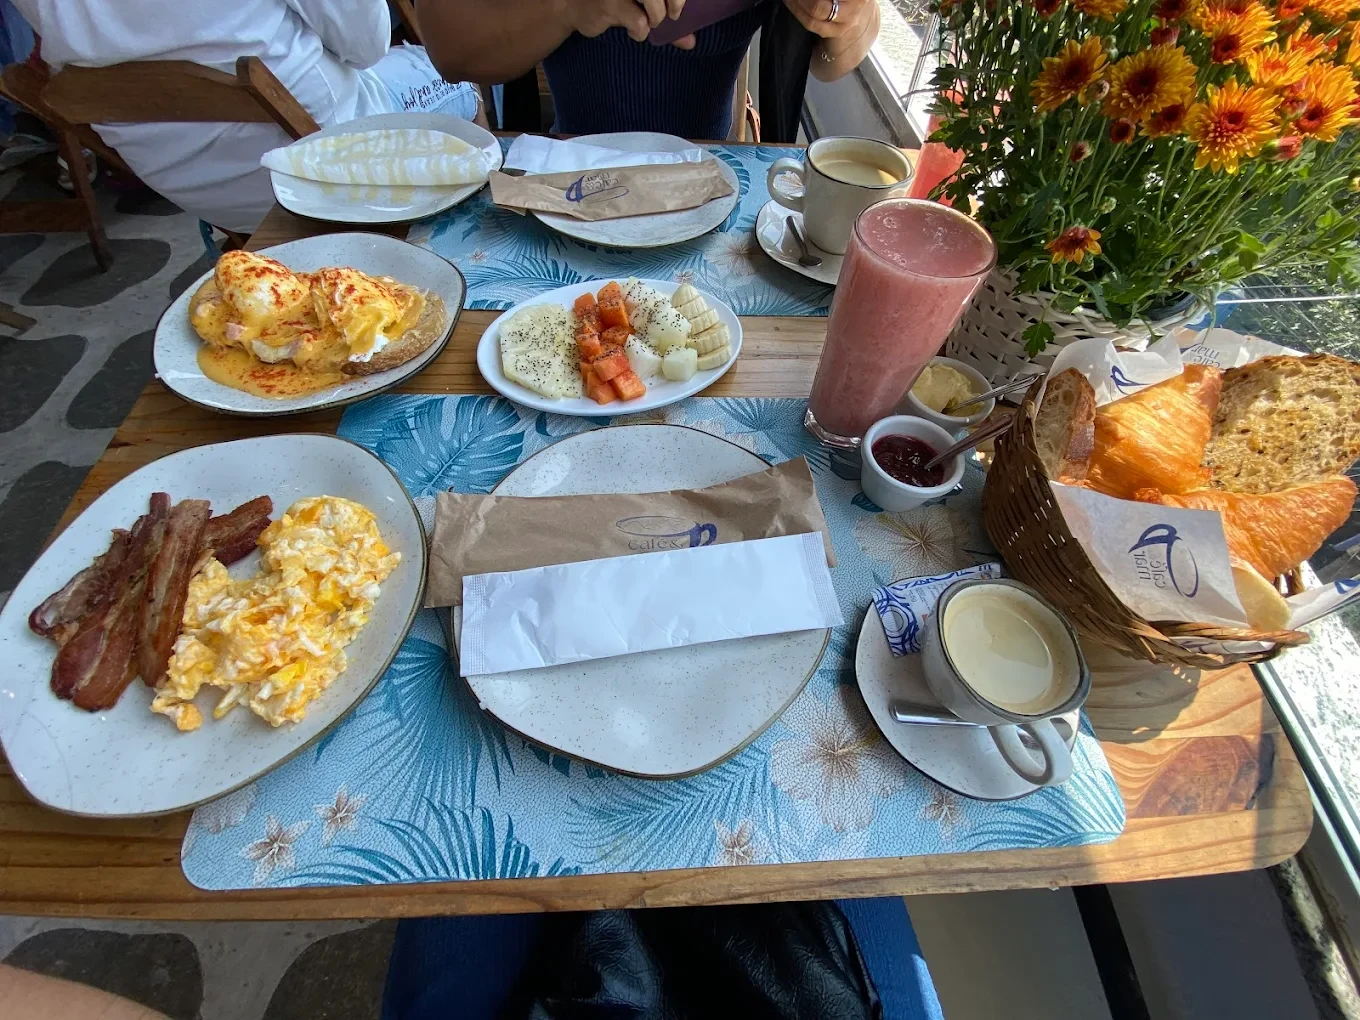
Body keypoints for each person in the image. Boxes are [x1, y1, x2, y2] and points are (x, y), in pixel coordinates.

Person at [12, 0, 483, 233]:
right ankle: (465, 238)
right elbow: (367, 46)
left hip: (200, 190)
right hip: (335, 166)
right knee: (461, 76)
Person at [419, 0, 879, 140]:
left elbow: (834, 59)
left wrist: (844, 17)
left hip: (715, 181)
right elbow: (450, 50)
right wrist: (564, 7)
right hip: (571, 175)